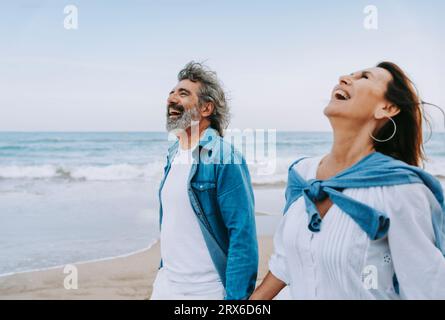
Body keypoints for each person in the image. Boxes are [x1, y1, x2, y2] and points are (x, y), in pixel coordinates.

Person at [250, 61, 445, 300]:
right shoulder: (302, 175)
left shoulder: (401, 189)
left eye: (364, 77)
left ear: (387, 108)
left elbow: (425, 289)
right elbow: (284, 260)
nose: (344, 77)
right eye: (349, 74)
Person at [151, 62, 258, 300]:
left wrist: (236, 299)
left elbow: (242, 233)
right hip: (167, 285)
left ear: (206, 108)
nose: (171, 98)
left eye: (183, 93)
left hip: (205, 291)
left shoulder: (223, 157)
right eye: (171, 92)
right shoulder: (173, 154)